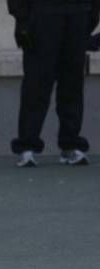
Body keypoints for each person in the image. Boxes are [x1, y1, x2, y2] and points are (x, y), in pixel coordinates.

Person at [8, 0, 100, 167]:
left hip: (78, 11)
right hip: (42, 12)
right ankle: (27, 146)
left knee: (72, 83)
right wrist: (22, 18)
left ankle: (70, 144)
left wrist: (92, 13)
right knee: (37, 82)